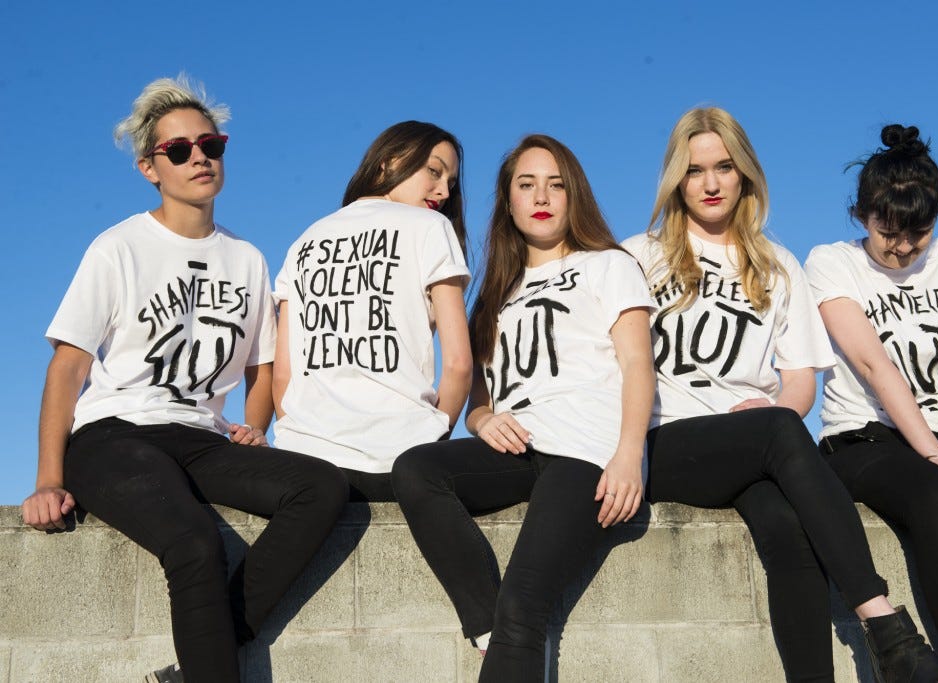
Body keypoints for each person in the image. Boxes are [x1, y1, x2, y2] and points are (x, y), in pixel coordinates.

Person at [19, 75, 347, 683]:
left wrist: (253, 424)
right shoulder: (118, 247)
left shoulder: (246, 258)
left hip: (199, 437)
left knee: (321, 489)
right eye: (179, 150)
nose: (199, 157)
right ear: (151, 167)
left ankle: (203, 660)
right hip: (112, 438)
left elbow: (261, 366)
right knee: (195, 544)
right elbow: (67, 368)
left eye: (211, 144)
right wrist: (48, 479)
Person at [622, 107, 938, 683]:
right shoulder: (638, 256)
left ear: (745, 175)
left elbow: (800, 380)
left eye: (724, 167)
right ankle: (888, 629)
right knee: (781, 429)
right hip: (666, 442)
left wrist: (774, 412)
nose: (710, 183)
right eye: (695, 170)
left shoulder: (778, 266)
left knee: (789, 531)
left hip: (752, 447)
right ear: (676, 180)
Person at [391, 134, 656, 681]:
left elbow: (637, 365)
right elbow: (480, 401)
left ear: (574, 196)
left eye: (556, 185)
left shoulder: (609, 265)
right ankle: (489, 627)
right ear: (507, 201)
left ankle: (507, 629)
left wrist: (629, 455)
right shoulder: (495, 293)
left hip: (584, 454)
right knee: (416, 468)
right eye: (527, 184)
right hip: (522, 450)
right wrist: (485, 419)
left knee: (526, 606)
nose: (542, 196)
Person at [806, 124, 938, 683]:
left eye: (918, 234)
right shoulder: (831, 262)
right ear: (862, 216)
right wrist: (937, 459)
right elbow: (875, 367)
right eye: (888, 233)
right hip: (864, 440)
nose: (902, 248)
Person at [272, 121, 472, 500]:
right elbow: (460, 363)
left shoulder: (304, 240)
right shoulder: (430, 227)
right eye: (434, 170)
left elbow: (284, 375)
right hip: (400, 457)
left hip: (308, 461)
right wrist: (431, 439)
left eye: (451, 181)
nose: (444, 190)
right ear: (389, 161)